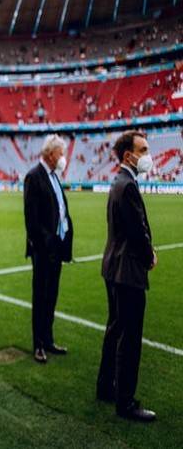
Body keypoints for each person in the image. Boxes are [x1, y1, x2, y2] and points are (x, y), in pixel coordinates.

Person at [96, 130, 157, 422]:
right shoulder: (127, 185)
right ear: (128, 156)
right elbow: (136, 232)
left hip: (113, 267)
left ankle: (105, 387)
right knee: (130, 337)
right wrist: (150, 256)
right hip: (127, 270)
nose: (148, 155)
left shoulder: (119, 182)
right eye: (143, 150)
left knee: (115, 330)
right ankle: (126, 402)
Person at [23, 134, 73, 363]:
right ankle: (38, 344)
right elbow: (32, 221)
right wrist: (48, 243)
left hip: (57, 249)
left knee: (52, 296)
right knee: (41, 297)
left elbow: (60, 210)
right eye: (61, 153)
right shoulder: (34, 176)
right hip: (44, 251)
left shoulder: (54, 176)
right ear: (51, 154)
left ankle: (49, 339)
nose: (63, 158)